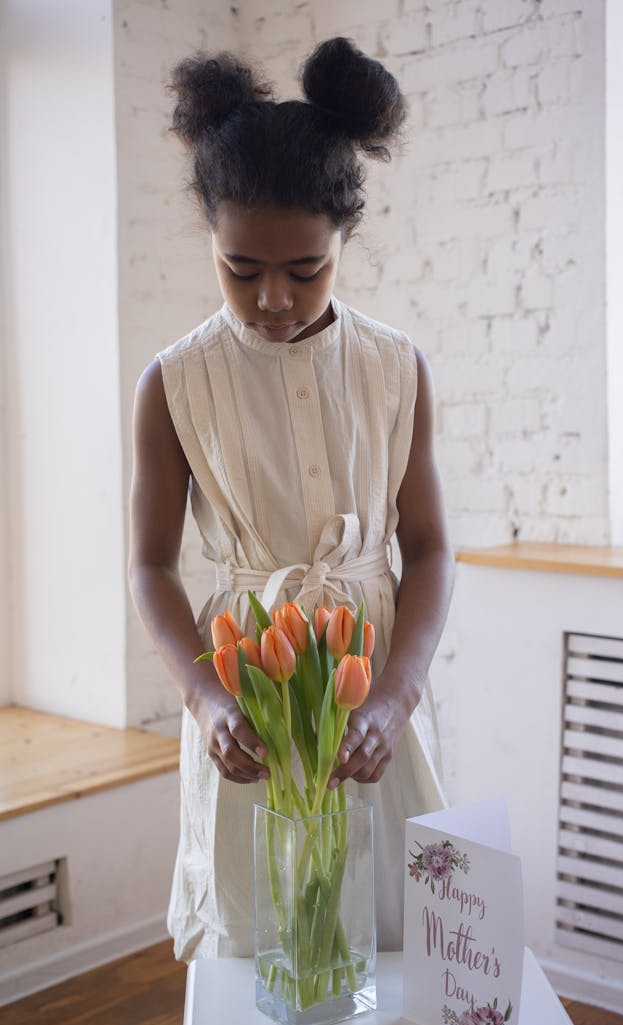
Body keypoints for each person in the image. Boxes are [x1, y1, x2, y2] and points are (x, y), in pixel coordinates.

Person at [129, 37, 454, 960]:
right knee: (265, 929)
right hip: (247, 696)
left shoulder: (397, 369)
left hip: (372, 694)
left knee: (394, 925)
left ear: (344, 237)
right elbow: (150, 565)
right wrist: (204, 697)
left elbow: (427, 548)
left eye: (306, 269)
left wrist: (396, 694)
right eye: (241, 269)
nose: (272, 297)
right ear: (211, 239)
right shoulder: (174, 383)